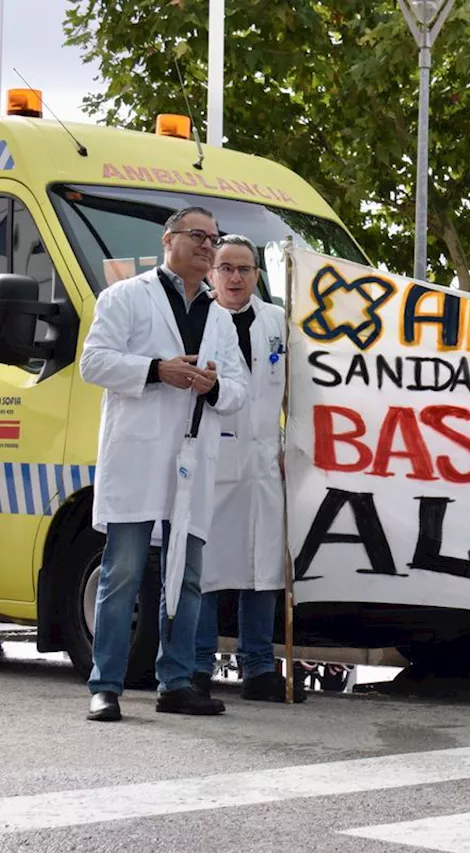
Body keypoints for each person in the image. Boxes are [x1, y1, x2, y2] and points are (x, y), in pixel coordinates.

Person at [79, 207, 247, 722]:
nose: (207, 245)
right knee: (123, 571)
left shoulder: (220, 316)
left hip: (193, 456)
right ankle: (105, 684)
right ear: (168, 240)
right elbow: (94, 362)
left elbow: (239, 388)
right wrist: (157, 370)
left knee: (188, 575)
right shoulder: (125, 297)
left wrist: (213, 384)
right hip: (139, 452)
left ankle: (175, 681)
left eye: (212, 238)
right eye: (198, 235)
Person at [191, 236, 296, 703]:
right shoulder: (200, 322)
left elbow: (295, 390)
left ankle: (259, 669)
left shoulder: (277, 322)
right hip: (213, 457)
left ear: (257, 274)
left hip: (264, 459)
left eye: (245, 269)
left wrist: (291, 444)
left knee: (265, 568)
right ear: (212, 273)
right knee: (207, 568)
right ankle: (195, 665)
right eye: (226, 268)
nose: (235, 277)